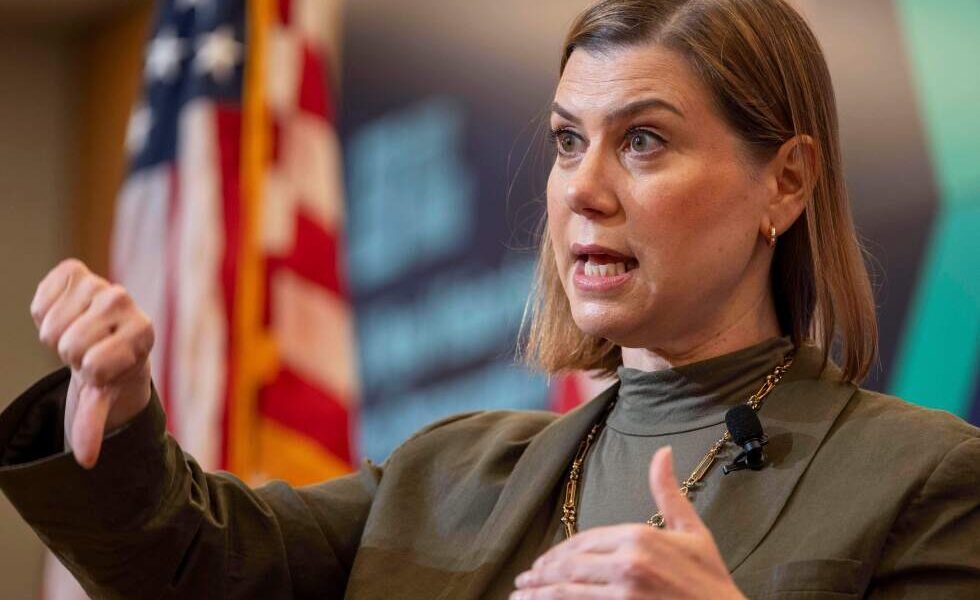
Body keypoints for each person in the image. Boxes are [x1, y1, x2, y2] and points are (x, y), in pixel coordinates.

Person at [1, 0, 978, 598]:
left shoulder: (920, 477)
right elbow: (192, 568)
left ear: (786, 182)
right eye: (567, 141)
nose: (583, 189)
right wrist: (122, 418)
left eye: (642, 141)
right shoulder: (443, 476)